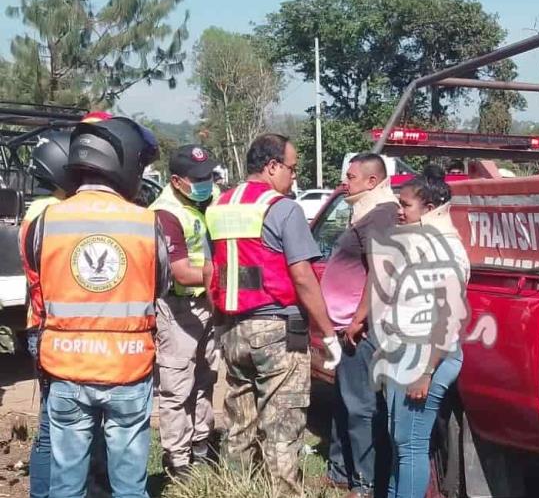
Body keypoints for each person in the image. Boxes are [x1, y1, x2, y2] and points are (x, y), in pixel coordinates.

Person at [21, 116, 169, 497]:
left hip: (67, 369)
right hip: (128, 367)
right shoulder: (146, 221)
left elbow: (38, 281)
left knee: (65, 484)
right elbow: (162, 285)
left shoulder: (46, 219)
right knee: (129, 488)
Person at [205, 133, 342, 495]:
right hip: (277, 329)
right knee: (282, 426)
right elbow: (302, 275)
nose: (294, 178)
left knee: (240, 423)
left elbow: (212, 273)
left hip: (233, 329)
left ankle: (236, 489)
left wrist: (220, 325)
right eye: (292, 169)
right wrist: (327, 333)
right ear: (271, 167)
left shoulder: (219, 205)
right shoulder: (282, 208)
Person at [381, 165, 470, 498]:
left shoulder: (444, 249)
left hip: (427, 358)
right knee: (399, 442)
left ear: (430, 209)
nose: (398, 210)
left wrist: (426, 371)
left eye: (405, 204)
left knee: (412, 445)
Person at [320, 153, 400, 498]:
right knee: (343, 400)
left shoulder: (381, 215)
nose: (345, 183)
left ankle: (364, 483)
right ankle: (340, 471)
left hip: (363, 329)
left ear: (372, 181)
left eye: (351, 177)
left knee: (360, 407)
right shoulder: (365, 212)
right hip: (346, 326)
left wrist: (359, 318)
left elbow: (380, 271)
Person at [150, 145, 218, 477]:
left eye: (209, 175)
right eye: (199, 178)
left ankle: (202, 446)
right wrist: (226, 277)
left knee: (205, 379)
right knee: (176, 386)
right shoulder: (166, 212)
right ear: (177, 181)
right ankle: (177, 460)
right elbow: (179, 271)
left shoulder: (208, 199)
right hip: (179, 308)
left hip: (207, 303)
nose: (207, 182)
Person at [20, 129, 73, 498]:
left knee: (58, 422)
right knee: (53, 425)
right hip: (50, 326)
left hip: (44, 323)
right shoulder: (50, 213)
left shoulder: (43, 209)